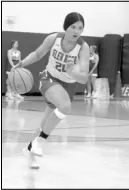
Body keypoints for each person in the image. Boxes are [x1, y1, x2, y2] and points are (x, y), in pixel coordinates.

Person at [12, 12, 89, 169]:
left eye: (80, 28)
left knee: (45, 123)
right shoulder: (54, 38)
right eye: (73, 27)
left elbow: (83, 78)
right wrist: (22, 63)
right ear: (65, 27)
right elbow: (38, 53)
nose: (76, 31)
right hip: (49, 79)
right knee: (65, 107)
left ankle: (30, 152)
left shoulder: (83, 48)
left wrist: (72, 72)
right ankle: (40, 141)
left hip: (68, 86)